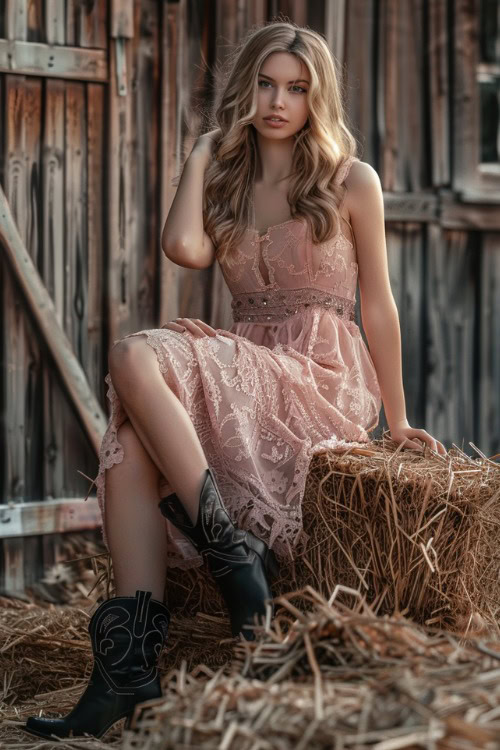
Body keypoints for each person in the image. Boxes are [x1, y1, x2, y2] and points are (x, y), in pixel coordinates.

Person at [23, 19, 447, 740]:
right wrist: (200, 152)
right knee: (126, 450)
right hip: (244, 362)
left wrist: (397, 420)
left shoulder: (350, 180)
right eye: (265, 84)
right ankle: (127, 675)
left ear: (320, 98)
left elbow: (378, 302)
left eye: (298, 89)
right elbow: (183, 246)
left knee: (133, 356)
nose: (280, 101)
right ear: (244, 89)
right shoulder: (227, 176)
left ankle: (230, 556)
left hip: (316, 372)